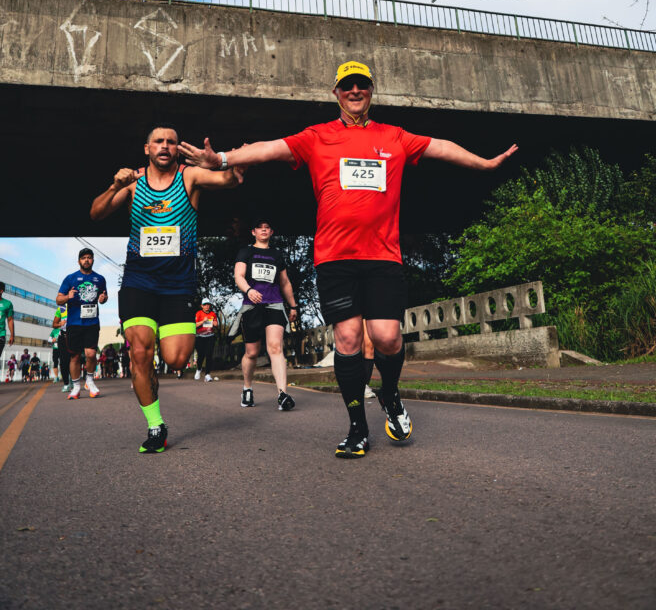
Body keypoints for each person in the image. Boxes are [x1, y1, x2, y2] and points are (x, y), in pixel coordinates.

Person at [179, 59, 517, 459]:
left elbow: (440, 147)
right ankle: (358, 427)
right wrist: (221, 161)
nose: (355, 91)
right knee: (349, 339)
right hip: (335, 259)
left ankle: (389, 396)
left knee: (388, 337)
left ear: (371, 91)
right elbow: (269, 149)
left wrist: (484, 163)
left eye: (362, 85)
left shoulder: (395, 137)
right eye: (347, 86)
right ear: (336, 93)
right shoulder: (317, 137)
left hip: (383, 256)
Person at [90, 122, 243, 454]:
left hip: (178, 285)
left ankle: (154, 372)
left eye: (171, 142)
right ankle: (156, 425)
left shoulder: (190, 177)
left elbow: (230, 179)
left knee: (176, 360)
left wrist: (219, 161)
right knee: (140, 354)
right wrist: (113, 184)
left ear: (177, 149)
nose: (164, 146)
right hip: (138, 283)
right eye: (158, 141)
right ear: (147, 148)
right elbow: (96, 213)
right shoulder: (132, 183)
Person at [232, 218, 298, 411]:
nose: (263, 230)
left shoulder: (277, 255)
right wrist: (248, 290)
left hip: (274, 305)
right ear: (253, 232)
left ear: (271, 232)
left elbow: (285, 283)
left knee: (276, 347)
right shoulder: (246, 251)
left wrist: (293, 306)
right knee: (251, 353)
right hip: (252, 306)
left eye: (267, 227)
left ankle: (282, 394)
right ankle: (247, 388)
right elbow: (239, 276)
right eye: (259, 228)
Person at [57, 248, 108, 399]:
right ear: (79, 261)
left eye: (89, 258)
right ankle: (76, 387)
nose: (86, 260)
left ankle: (90, 381)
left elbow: (104, 297)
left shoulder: (100, 279)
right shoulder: (70, 278)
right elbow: (58, 299)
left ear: (93, 260)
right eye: (83, 258)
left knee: (91, 354)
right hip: (74, 323)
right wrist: (68, 296)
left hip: (92, 322)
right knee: (75, 357)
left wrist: (103, 299)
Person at [194, 299, 218, 382]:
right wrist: (203, 321)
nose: (207, 306)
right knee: (201, 355)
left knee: (209, 355)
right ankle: (199, 369)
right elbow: (195, 325)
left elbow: (215, 323)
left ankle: (207, 374)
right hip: (200, 337)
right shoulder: (199, 313)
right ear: (202, 306)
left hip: (210, 337)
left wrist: (215, 323)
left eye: (208, 304)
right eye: (205, 304)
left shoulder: (213, 314)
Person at [50, 304, 71, 390]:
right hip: (63, 337)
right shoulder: (61, 308)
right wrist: (60, 324)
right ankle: (66, 383)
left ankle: (73, 380)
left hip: (75, 336)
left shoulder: (77, 305)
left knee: (73, 360)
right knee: (63, 361)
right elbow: (54, 324)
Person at [0, 282, 14, 361]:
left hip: (0, 335)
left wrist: (12, 335)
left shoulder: (7, 304)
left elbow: (10, 320)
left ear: (1, 291)